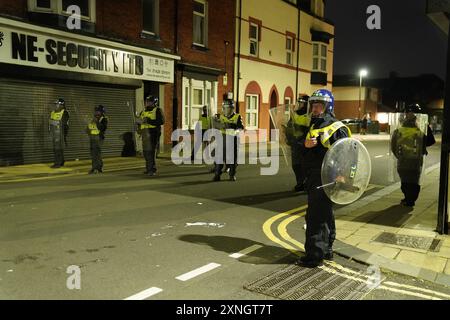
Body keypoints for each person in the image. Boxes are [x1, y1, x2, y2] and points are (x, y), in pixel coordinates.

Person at [298, 89, 351, 268]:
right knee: (325, 214)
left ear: (328, 107)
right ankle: (326, 249)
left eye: (319, 105)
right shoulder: (314, 125)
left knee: (315, 216)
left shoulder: (336, 127)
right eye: (313, 105)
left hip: (326, 177)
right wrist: (306, 145)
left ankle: (314, 256)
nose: (315, 108)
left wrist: (341, 175)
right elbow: (306, 153)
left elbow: (347, 154)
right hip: (314, 176)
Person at [391, 104, 435, 207]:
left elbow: (393, 146)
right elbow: (431, 141)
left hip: (403, 161)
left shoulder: (399, 131)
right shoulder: (419, 131)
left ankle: (407, 199)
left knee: (405, 181)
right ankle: (411, 200)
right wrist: (425, 126)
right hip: (416, 161)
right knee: (414, 182)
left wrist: (400, 156)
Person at [212, 99, 244, 181]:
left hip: (233, 140)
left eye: (228, 108)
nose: (227, 110)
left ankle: (232, 175)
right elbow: (215, 126)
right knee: (219, 158)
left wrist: (234, 130)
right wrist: (215, 122)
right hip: (222, 140)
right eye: (225, 108)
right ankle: (217, 175)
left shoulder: (237, 116)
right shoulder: (220, 117)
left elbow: (240, 128)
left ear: (232, 108)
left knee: (233, 159)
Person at [286, 95, 310, 192]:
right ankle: (299, 182)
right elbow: (289, 126)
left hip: (304, 144)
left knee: (304, 166)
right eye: (298, 103)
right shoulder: (295, 114)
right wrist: (288, 136)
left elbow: (309, 129)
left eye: (301, 103)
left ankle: (305, 183)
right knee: (296, 165)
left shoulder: (309, 115)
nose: (299, 105)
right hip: (295, 144)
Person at [138, 95, 164, 176]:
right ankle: (148, 168)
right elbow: (140, 121)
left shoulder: (157, 110)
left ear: (154, 102)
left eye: (149, 101)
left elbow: (161, 121)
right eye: (147, 101)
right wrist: (138, 125)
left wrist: (148, 120)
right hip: (145, 133)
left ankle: (152, 170)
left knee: (151, 152)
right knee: (146, 152)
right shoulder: (143, 111)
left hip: (153, 133)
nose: (147, 103)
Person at [86, 105, 108, 174]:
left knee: (97, 153)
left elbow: (102, 128)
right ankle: (94, 167)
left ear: (101, 112)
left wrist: (97, 122)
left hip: (99, 138)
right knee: (93, 154)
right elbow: (88, 127)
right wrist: (88, 131)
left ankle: (98, 168)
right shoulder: (93, 119)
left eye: (98, 111)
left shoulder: (104, 119)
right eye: (96, 111)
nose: (96, 113)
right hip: (92, 138)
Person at [49, 98, 69, 168]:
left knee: (57, 148)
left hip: (61, 133)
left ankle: (57, 163)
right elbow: (50, 123)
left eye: (57, 104)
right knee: (57, 148)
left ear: (62, 105)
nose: (55, 106)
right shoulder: (52, 112)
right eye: (55, 104)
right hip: (54, 133)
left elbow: (62, 123)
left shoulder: (65, 112)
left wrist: (54, 122)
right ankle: (62, 161)